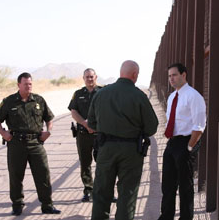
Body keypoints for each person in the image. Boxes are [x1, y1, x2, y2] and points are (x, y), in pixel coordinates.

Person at [88, 60, 158, 220]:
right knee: (128, 193)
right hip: (131, 151)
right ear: (134, 75)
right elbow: (152, 127)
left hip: (105, 148)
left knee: (101, 192)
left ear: (121, 73)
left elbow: (91, 123)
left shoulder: (101, 94)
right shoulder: (139, 96)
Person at [0, 72, 61, 216]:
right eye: (25, 84)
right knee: (16, 175)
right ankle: (17, 205)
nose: (28, 86)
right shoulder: (9, 101)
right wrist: (3, 133)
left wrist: (48, 131)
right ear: (19, 85)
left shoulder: (39, 100)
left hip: (36, 142)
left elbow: (49, 118)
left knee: (43, 174)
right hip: (16, 143)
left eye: (30, 83)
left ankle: (47, 205)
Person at [158, 63, 206, 220]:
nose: (171, 78)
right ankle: (166, 216)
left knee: (185, 186)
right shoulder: (172, 96)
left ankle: (186, 217)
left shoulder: (194, 96)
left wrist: (190, 147)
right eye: (170, 76)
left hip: (186, 142)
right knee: (168, 184)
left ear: (184, 75)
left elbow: (199, 126)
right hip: (172, 143)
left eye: (175, 75)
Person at [68, 68, 103, 202]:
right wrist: (84, 123)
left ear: (96, 77)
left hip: (100, 134)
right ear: (83, 78)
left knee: (103, 163)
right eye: (87, 77)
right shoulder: (78, 94)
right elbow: (73, 111)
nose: (89, 79)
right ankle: (88, 190)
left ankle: (103, 191)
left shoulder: (103, 92)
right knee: (85, 162)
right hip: (83, 134)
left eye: (91, 77)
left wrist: (96, 126)